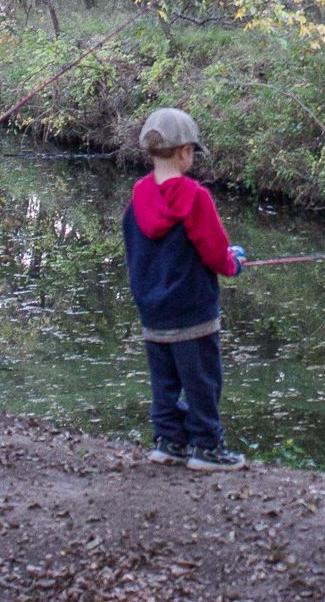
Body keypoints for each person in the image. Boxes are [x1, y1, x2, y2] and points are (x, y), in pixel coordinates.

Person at [122, 106, 248, 471]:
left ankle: (168, 442)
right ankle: (207, 448)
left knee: (164, 381)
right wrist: (232, 263)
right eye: (193, 151)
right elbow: (214, 252)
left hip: (153, 311)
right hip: (193, 309)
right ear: (184, 152)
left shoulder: (138, 197)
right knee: (202, 381)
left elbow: (136, 251)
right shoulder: (195, 197)